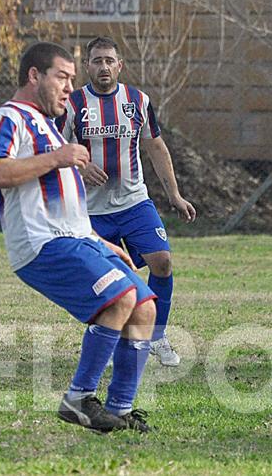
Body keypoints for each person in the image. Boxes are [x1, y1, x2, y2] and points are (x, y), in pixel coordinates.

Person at [0, 41, 155, 433]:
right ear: (34, 75)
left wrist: (98, 239)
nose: (69, 87)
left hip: (76, 238)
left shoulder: (50, 130)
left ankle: (120, 409)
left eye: (73, 80)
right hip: (41, 244)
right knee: (120, 297)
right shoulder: (9, 119)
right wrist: (58, 158)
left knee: (144, 307)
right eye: (63, 77)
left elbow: (65, 203)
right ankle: (78, 398)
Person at [57, 36, 196, 366]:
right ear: (86, 67)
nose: (103, 66)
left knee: (162, 261)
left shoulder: (138, 101)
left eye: (109, 60)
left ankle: (156, 336)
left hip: (134, 202)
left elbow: (156, 148)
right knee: (103, 277)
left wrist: (174, 195)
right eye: (97, 61)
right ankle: (105, 342)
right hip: (91, 209)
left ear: (119, 65)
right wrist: (81, 165)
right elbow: (54, 151)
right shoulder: (73, 105)